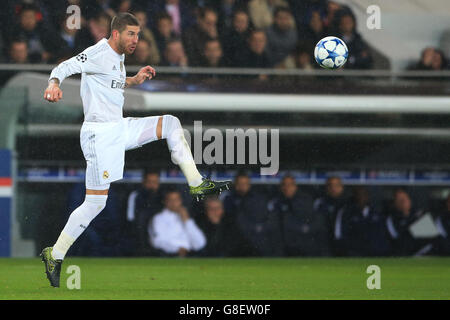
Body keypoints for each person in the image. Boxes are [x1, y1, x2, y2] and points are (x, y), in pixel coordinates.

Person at [40, 12, 231, 288]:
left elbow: (110, 82)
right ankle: (54, 254)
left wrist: (133, 80)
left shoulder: (118, 58)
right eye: (131, 34)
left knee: (170, 123)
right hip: (99, 134)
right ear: (116, 33)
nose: (136, 40)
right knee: (95, 203)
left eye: (138, 34)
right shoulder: (97, 52)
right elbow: (63, 67)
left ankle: (197, 183)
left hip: (118, 127)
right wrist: (53, 84)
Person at [223, 172, 282, 256]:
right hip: (234, 240)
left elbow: (262, 219)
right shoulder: (229, 199)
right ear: (236, 185)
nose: (242, 186)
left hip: (253, 239)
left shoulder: (257, 199)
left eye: (245, 184)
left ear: (249, 184)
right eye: (240, 183)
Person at [269, 175, 329, 256]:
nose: (287, 188)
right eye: (284, 185)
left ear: (295, 186)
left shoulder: (305, 200)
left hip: (301, 239)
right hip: (282, 241)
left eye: (290, 185)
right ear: (280, 187)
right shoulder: (276, 201)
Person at [334, 187, 391, 256]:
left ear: (367, 196)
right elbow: (339, 235)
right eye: (358, 195)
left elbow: (384, 234)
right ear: (354, 197)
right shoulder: (346, 213)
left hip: (375, 253)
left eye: (364, 195)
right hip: (353, 253)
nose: (361, 197)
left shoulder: (377, 213)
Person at [149, 190, 206, 257]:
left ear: (180, 201)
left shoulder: (187, 217)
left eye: (176, 200)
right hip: (169, 255)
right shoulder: (158, 219)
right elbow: (157, 241)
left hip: (190, 254)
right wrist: (177, 249)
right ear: (164, 201)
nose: (174, 203)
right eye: (170, 200)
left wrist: (187, 221)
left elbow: (200, 243)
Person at [125, 170, 163, 255]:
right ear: (143, 182)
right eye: (149, 182)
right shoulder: (135, 195)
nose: (152, 185)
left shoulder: (163, 197)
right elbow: (130, 220)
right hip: (139, 236)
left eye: (155, 182)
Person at [385, 189, 424, 256]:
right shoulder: (391, 219)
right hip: (402, 256)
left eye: (405, 199)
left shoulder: (420, 215)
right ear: (394, 203)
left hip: (423, 254)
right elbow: (397, 240)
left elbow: (430, 238)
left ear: (410, 200)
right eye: (399, 200)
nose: (403, 202)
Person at [313, 176, 346, 254]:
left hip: (344, 241)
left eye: (337, 185)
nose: (333, 188)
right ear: (326, 188)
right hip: (323, 240)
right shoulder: (320, 203)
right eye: (330, 185)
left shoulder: (348, 203)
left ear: (342, 187)